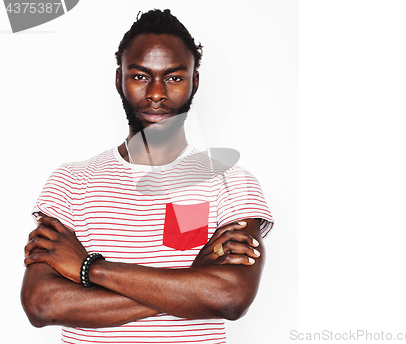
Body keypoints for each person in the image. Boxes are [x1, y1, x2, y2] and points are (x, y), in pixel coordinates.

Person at [21, 9, 273, 344]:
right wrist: (192, 283)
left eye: (173, 77)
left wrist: (90, 269)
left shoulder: (232, 183)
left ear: (194, 81)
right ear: (119, 80)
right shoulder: (71, 181)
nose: (156, 93)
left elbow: (229, 297)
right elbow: (42, 304)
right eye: (140, 76)